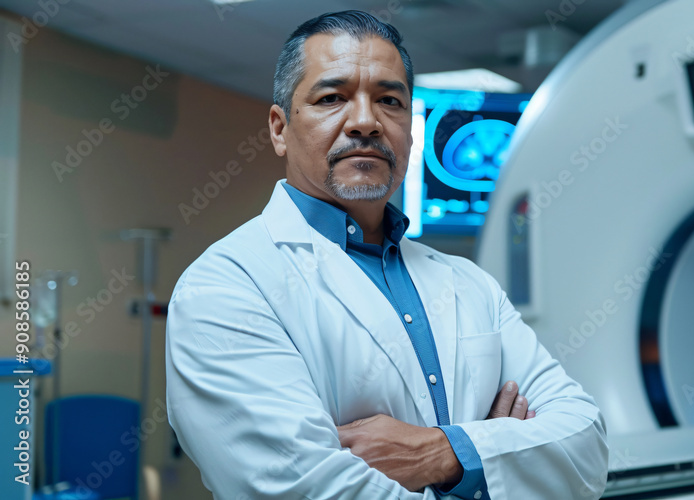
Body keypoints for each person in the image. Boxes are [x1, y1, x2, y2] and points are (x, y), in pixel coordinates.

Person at [165, 10, 608, 500]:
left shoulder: (471, 284)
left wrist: (441, 453)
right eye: (331, 98)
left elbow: (586, 446)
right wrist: (495, 455)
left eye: (389, 101)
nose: (365, 122)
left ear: (410, 131)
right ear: (279, 128)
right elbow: (302, 488)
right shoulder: (225, 286)